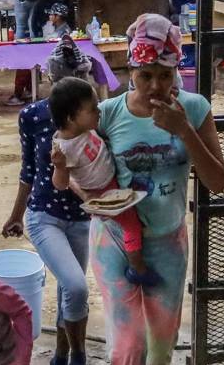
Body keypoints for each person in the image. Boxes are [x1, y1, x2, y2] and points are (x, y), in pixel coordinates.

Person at [91, 13, 224, 365]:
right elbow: (83, 173)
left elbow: (218, 181)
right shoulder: (108, 115)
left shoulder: (196, 108)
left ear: (178, 72)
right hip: (114, 240)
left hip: (168, 241)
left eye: (164, 75)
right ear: (131, 72)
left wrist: (184, 131)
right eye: (145, 75)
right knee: (126, 343)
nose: (154, 86)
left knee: (160, 349)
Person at [1, 55, 94, 365]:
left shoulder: (93, 114)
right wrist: (16, 215)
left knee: (69, 287)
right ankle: (79, 356)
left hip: (82, 216)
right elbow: (29, 170)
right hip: (44, 216)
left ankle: (61, 356)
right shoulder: (33, 116)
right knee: (77, 286)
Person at [47, 74, 155, 286]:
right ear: (71, 118)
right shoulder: (64, 148)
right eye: (93, 109)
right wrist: (60, 167)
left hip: (112, 181)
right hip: (102, 194)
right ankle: (138, 269)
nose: (99, 111)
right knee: (132, 225)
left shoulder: (84, 128)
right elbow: (60, 184)